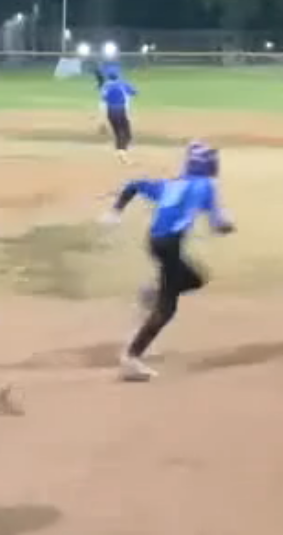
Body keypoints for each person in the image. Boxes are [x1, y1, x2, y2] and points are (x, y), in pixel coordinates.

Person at [101, 141, 235, 382]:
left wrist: (115, 211)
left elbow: (134, 185)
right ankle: (131, 358)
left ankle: (152, 293)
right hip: (170, 246)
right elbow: (218, 224)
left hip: (155, 242)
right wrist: (226, 226)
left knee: (194, 279)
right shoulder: (206, 186)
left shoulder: (173, 184)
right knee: (166, 309)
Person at [100, 69, 138, 163]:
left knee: (118, 134)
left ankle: (120, 153)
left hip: (110, 112)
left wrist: (102, 120)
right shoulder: (122, 83)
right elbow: (134, 92)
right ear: (118, 76)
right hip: (121, 111)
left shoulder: (105, 86)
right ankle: (122, 153)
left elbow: (103, 100)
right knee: (127, 135)